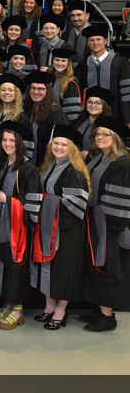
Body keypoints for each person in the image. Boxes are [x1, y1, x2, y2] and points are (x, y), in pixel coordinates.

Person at [32, 124, 90, 330]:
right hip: (49, 226)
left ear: (72, 148)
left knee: (64, 269)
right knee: (47, 266)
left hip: (67, 229)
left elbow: (75, 206)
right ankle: (49, 306)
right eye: (56, 143)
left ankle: (60, 311)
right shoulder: (49, 165)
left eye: (64, 144)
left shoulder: (74, 171)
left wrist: (48, 205)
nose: (58, 147)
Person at [0, 122, 42, 330]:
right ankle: (9, 303)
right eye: (4, 140)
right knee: (6, 265)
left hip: (18, 227)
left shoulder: (28, 169)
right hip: (3, 223)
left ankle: (18, 309)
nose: (7, 143)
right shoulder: (3, 165)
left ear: (20, 143)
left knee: (16, 267)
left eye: (12, 140)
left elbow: (33, 203)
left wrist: (8, 200)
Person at [82, 116, 130, 332]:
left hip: (109, 224)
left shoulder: (121, 162)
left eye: (105, 134)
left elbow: (118, 200)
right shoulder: (100, 157)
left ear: (115, 138)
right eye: (97, 134)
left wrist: (106, 222)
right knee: (94, 266)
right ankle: (98, 308)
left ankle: (108, 316)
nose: (100, 137)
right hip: (96, 220)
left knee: (105, 266)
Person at [74, 24, 130, 125]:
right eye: (92, 40)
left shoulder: (120, 63)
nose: (95, 43)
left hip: (116, 116)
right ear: (88, 43)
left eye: (98, 39)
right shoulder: (83, 66)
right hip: (90, 117)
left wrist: (127, 118)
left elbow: (126, 92)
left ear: (105, 41)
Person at [24, 71, 70, 167]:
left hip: (47, 165)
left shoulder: (55, 114)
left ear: (48, 91)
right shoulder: (30, 109)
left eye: (40, 89)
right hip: (33, 163)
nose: (36, 92)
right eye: (33, 88)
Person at [74, 87, 113, 158]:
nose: (93, 105)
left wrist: (87, 155)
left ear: (104, 106)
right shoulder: (80, 121)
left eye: (97, 103)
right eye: (90, 102)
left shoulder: (109, 126)